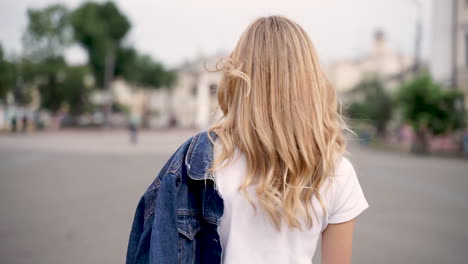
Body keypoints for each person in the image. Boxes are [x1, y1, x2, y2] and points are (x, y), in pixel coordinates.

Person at [126, 16, 368, 264]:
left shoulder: (201, 159)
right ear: (310, 80)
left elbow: (157, 249)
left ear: (240, 73)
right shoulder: (336, 170)